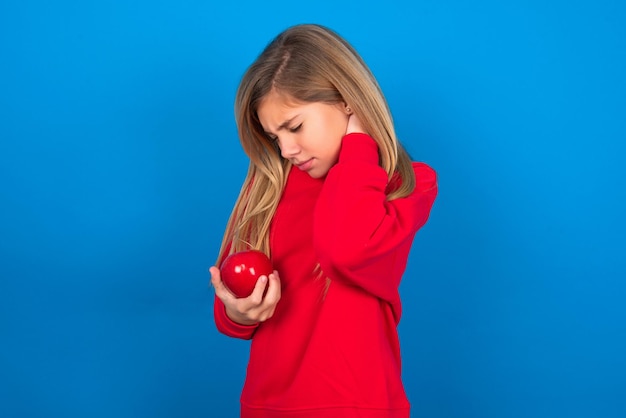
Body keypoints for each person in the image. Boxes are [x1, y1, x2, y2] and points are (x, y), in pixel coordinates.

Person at [210, 23, 438, 418]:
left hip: (359, 403)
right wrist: (237, 312)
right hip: (268, 404)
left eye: (295, 126)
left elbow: (345, 251)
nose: (287, 149)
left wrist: (359, 145)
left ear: (347, 101)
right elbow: (231, 299)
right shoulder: (268, 187)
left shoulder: (405, 185)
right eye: (274, 136)